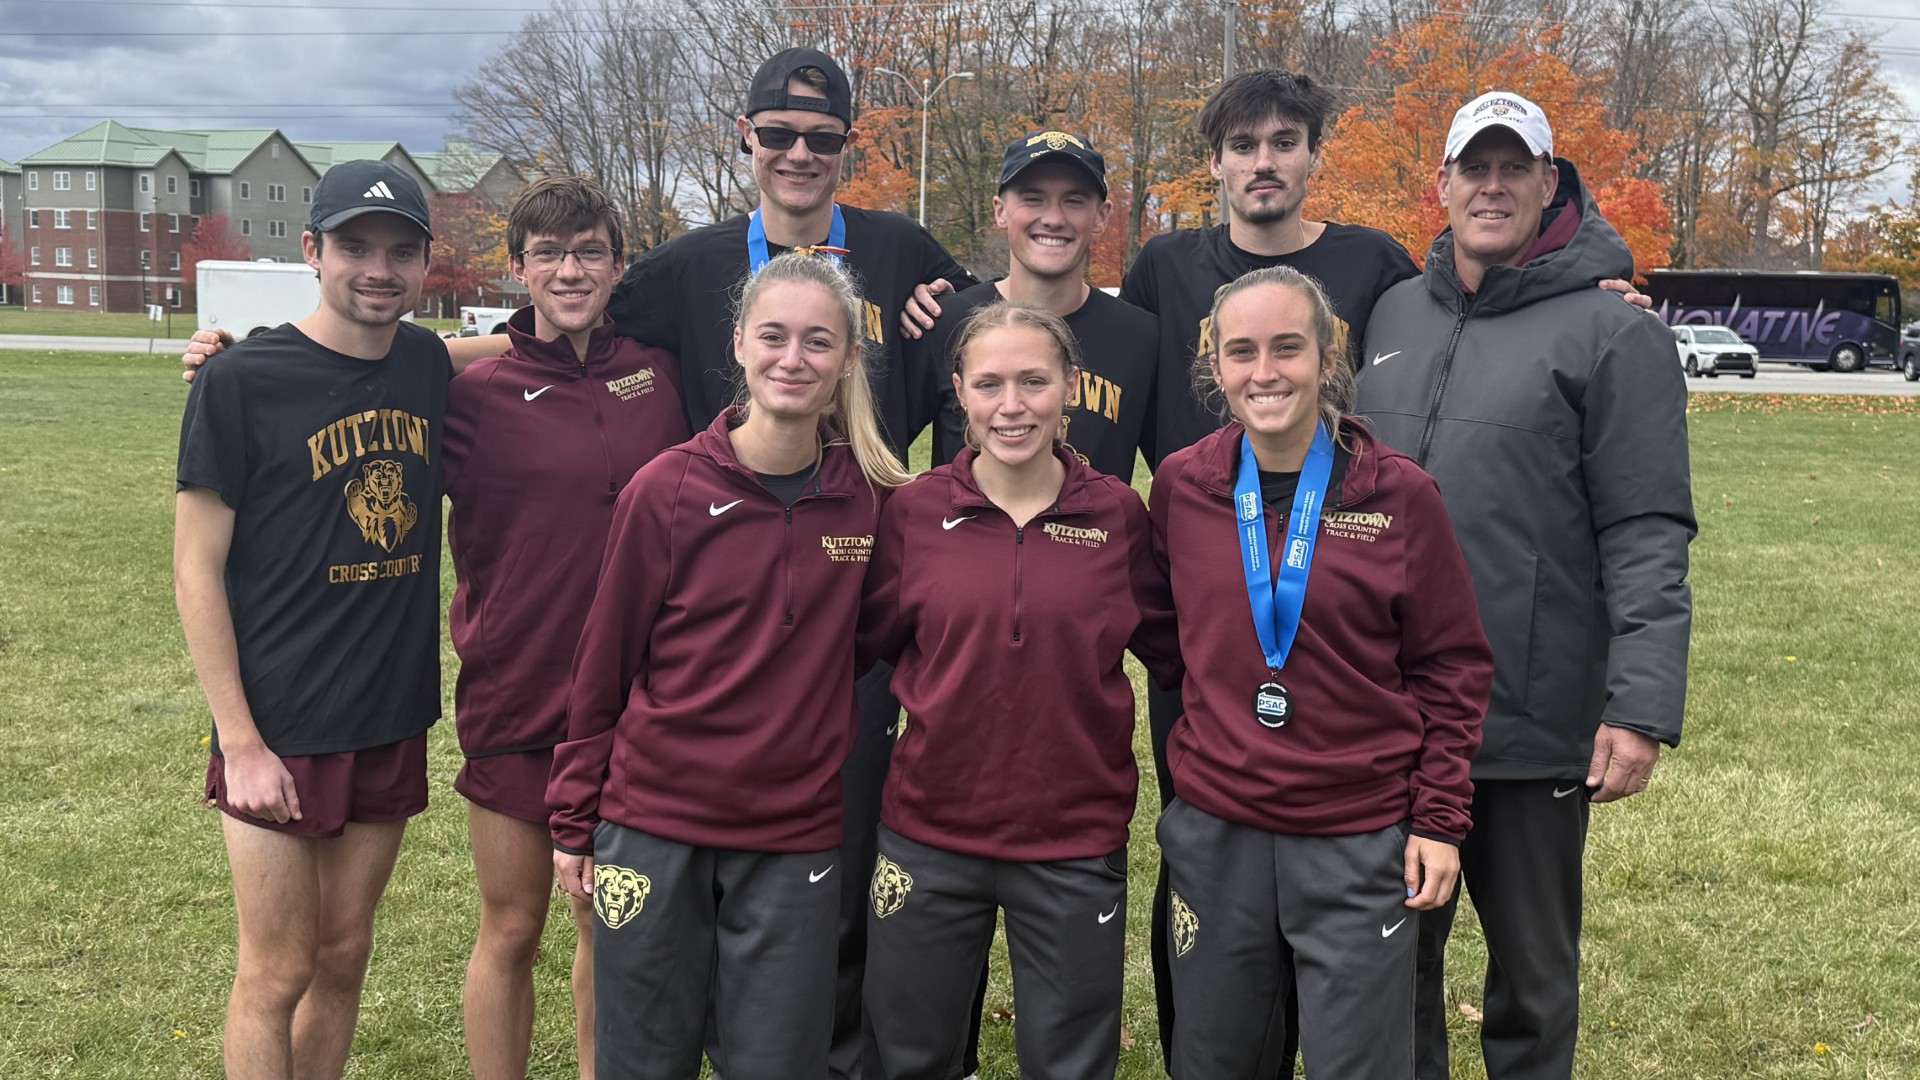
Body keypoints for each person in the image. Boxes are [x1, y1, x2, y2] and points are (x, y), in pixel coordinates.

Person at [1353, 91, 1695, 1080]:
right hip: (1391, 715)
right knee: (1392, 970)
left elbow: (1646, 529)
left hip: (1530, 718)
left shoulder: (1613, 331)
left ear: (1552, 183)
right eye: (1475, 166)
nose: (1492, 186)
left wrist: (1639, 707)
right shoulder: (1393, 313)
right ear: (1443, 181)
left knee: (1532, 984)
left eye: (1516, 168)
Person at [548, 252, 911, 1080]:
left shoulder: (872, 499)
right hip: (655, 826)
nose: (794, 359)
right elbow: (603, 663)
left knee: (778, 1062)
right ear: (740, 342)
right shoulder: (666, 489)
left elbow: (867, 640)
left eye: (819, 342)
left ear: (850, 358)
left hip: (791, 837)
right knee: (644, 1059)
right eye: (774, 336)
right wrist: (575, 819)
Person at [1149, 264, 1493, 1077]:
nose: (1264, 373)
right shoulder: (1183, 487)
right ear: (1217, 364)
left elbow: (1452, 665)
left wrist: (1439, 819)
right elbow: (1165, 634)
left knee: (1359, 1064)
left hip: (1357, 834)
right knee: (1215, 1060)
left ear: (1330, 356)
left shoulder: (1401, 495)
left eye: (1287, 348)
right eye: (1241, 352)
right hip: (1219, 830)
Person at [173, 160, 447, 1080]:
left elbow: (522, 347)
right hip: (279, 725)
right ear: (311, 250)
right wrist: (240, 741)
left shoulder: (424, 363)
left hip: (387, 713)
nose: (378, 269)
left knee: (343, 956)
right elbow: (195, 567)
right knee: (276, 969)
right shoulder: (241, 380)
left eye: (400, 252)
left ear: (423, 266)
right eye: (356, 248)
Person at [857, 302, 1175, 1080]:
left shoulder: (1117, 515)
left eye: (1034, 381)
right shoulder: (915, 512)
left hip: (1070, 841)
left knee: (1069, 1063)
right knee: (910, 1056)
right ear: (958, 390)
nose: (1012, 405)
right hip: (929, 836)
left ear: (1070, 387)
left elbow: (1181, 653)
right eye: (990, 383)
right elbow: (861, 646)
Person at [445, 175, 689, 1080]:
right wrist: (234, 351)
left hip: (637, 699)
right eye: (548, 253)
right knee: (512, 926)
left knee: (607, 919)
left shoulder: (659, 376)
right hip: (517, 689)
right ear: (517, 268)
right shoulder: (470, 393)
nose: (570, 269)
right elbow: (346, 375)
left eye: (588, 250)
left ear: (619, 264)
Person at [910, 131, 1157, 479]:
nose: (1054, 218)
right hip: (964, 531)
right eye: (1033, 198)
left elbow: (1179, 465)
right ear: (1000, 211)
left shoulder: (1141, 337)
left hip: (1095, 532)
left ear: (1101, 215)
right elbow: (879, 449)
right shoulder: (944, 321)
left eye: (1074, 200)